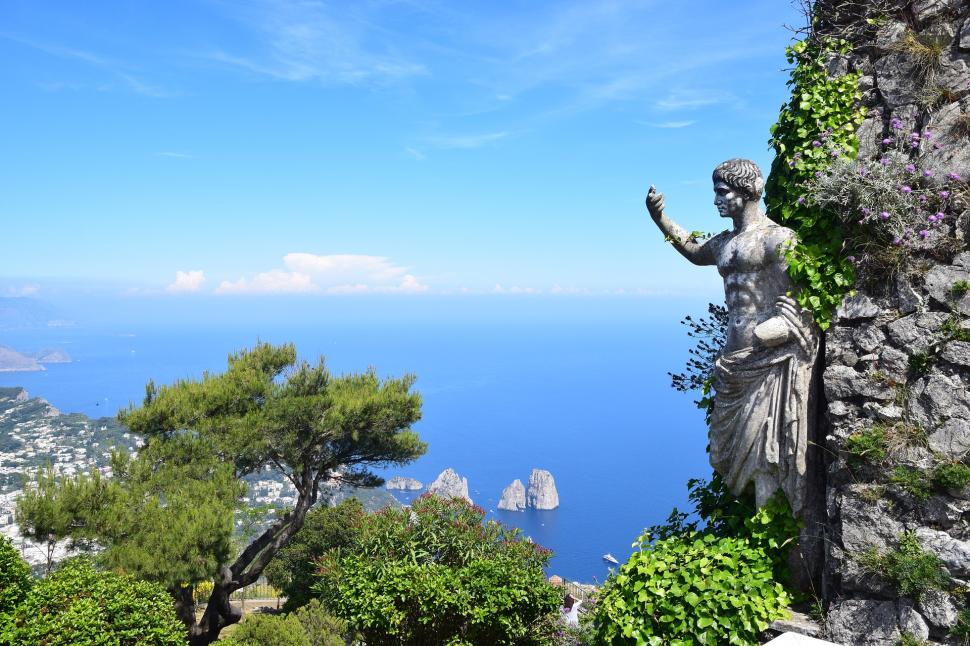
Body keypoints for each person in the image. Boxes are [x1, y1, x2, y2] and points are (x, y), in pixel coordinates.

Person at [645, 159, 818, 514]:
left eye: (722, 192)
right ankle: (758, 523)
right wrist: (660, 218)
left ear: (747, 191)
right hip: (733, 361)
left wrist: (781, 329)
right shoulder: (725, 242)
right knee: (730, 453)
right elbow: (694, 251)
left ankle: (775, 526)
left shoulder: (778, 239)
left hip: (768, 361)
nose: (716, 200)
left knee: (766, 452)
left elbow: (803, 303)